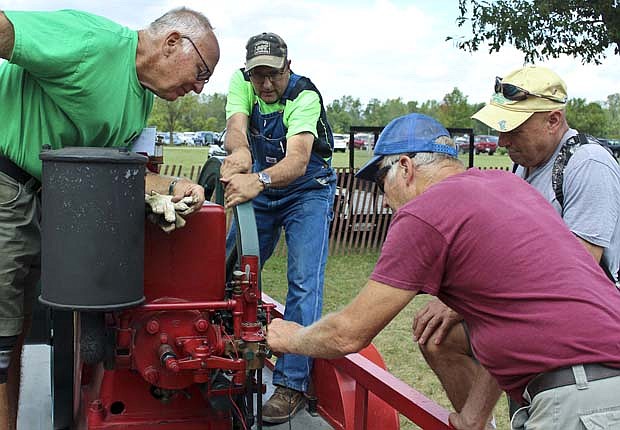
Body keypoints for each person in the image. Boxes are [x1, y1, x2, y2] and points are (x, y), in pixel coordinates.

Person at [266, 113, 620, 430]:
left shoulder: (424, 212)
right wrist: (473, 417)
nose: (385, 201)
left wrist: (290, 338)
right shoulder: (510, 187)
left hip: (581, 400)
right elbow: (508, 325)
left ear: (405, 167)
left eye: (380, 182)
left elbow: (349, 334)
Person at [0, 7, 219, 429]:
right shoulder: (91, 42)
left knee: (18, 324)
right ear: (173, 41)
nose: (197, 87)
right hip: (7, 182)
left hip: (51, 198)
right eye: (200, 71)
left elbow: (122, 174)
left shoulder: (141, 98)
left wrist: (173, 188)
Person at [413, 66, 620, 426]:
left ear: (554, 120)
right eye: (500, 129)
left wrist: (468, 306)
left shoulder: (588, 164)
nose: (503, 142)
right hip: (535, 315)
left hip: (579, 324)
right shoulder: (522, 169)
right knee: (438, 336)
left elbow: (576, 270)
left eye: (513, 130)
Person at [220, 32, 336, 423]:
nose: (266, 84)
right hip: (263, 182)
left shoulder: (305, 97)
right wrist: (240, 153)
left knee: (303, 281)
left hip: (306, 189)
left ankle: (292, 385)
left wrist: (259, 180)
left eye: (273, 74)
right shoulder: (242, 82)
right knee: (233, 268)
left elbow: (298, 161)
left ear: (289, 66)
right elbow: (236, 126)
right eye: (259, 76)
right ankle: (224, 356)